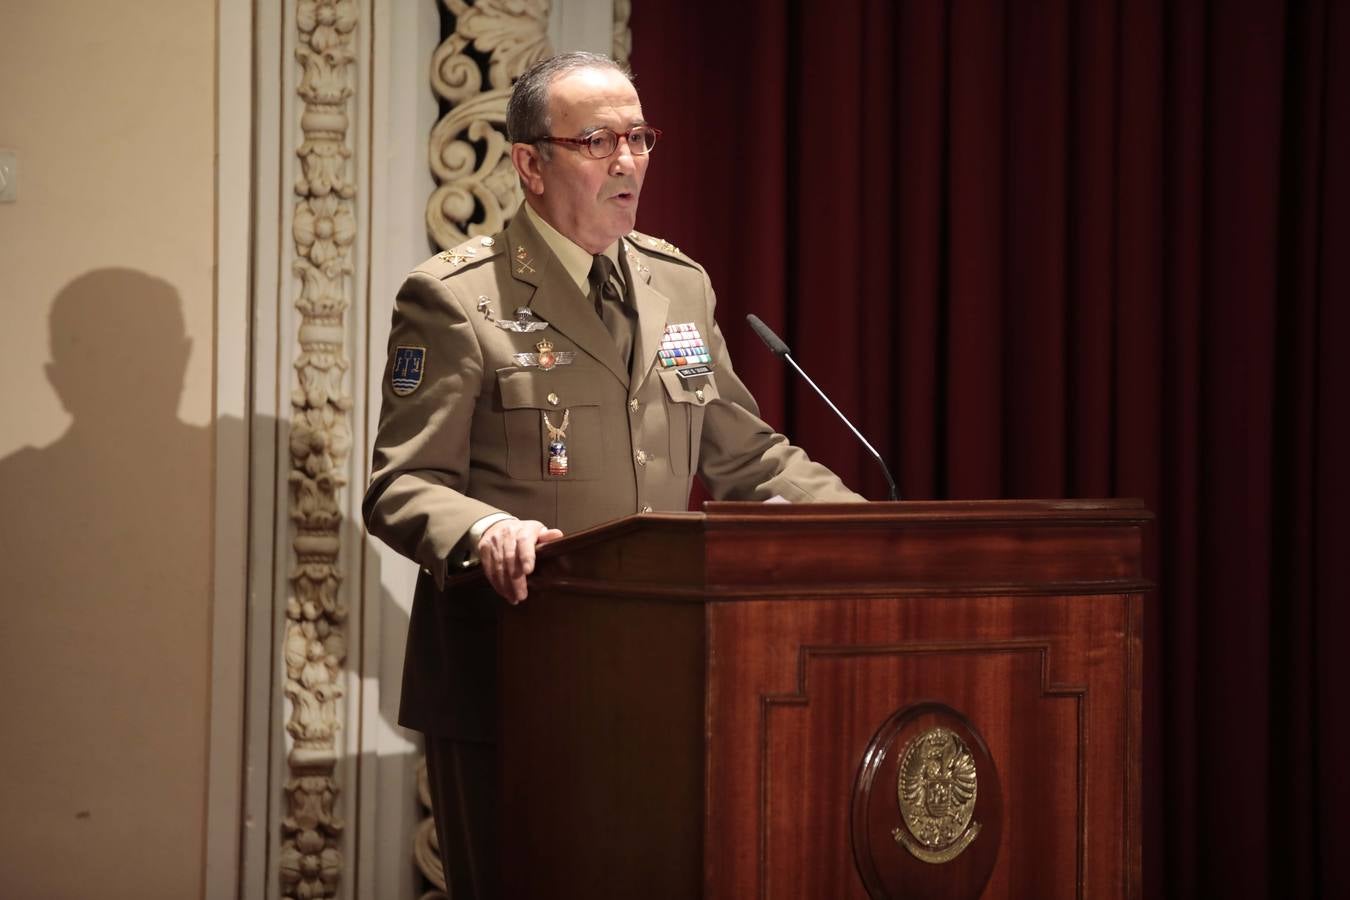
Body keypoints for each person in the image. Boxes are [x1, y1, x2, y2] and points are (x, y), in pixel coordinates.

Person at [363, 51, 863, 898]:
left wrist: (872, 535)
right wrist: (486, 530)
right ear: (530, 162)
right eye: (598, 140)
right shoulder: (456, 299)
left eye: (639, 137)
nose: (628, 160)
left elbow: (747, 456)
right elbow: (401, 485)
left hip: (662, 677)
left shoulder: (679, 286)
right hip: (514, 680)